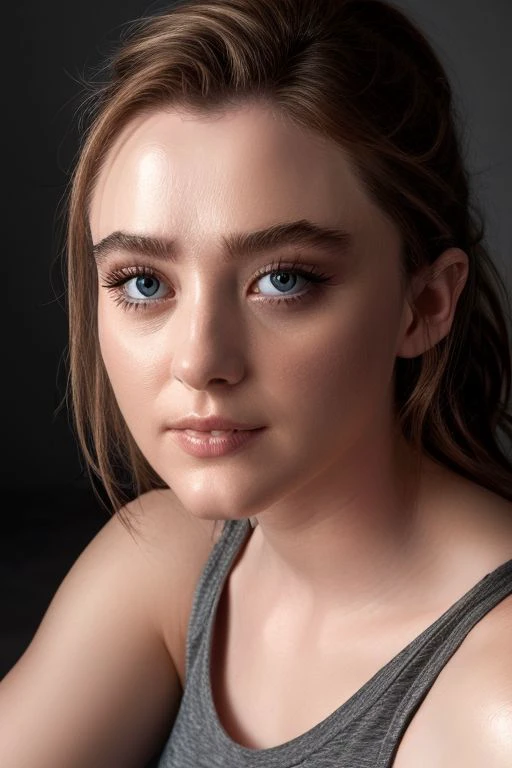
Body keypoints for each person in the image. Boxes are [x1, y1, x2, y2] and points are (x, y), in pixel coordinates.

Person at [1, 0, 511, 765]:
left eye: (283, 279)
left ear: (425, 303)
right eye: (143, 283)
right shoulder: (168, 558)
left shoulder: (494, 696)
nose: (200, 360)